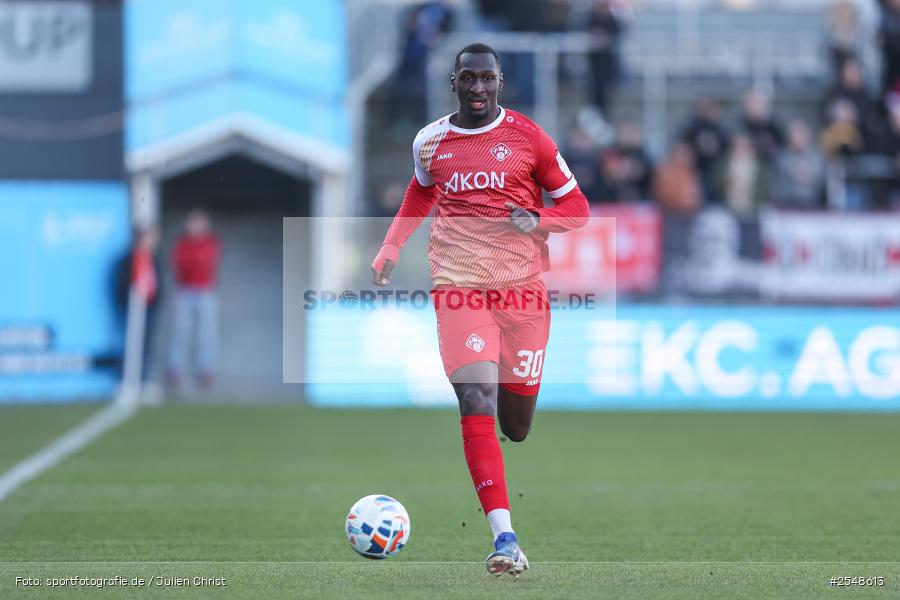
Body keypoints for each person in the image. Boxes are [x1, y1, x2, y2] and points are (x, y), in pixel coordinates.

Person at [371, 43, 589, 577]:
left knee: (516, 426)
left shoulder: (528, 138)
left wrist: (536, 218)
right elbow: (421, 194)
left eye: (485, 79)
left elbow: (577, 208)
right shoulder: (431, 141)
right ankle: (505, 538)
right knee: (475, 396)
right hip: (458, 285)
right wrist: (392, 245)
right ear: (453, 82)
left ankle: (508, 456)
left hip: (523, 294)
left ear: (499, 83)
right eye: (466, 79)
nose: (476, 88)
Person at [167, 210, 221, 390]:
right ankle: (176, 370)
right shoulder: (182, 243)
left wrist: (196, 262)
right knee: (180, 332)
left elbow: (208, 263)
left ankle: (205, 371)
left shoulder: (211, 242)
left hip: (205, 290)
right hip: (185, 290)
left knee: (206, 333)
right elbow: (181, 264)